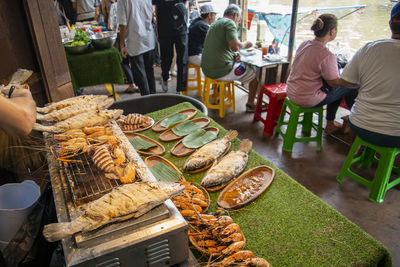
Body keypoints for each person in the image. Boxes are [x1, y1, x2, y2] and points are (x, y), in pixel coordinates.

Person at [339, 2, 400, 147]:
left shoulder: (369, 48)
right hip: (395, 134)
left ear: (390, 23)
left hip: (360, 124)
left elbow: (345, 80)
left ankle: (366, 152)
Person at [286, 14, 358, 134]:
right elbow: (334, 83)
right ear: (332, 31)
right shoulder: (326, 55)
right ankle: (354, 124)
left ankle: (331, 124)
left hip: (292, 92)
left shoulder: (304, 44)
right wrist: (351, 81)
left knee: (336, 90)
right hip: (306, 99)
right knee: (348, 88)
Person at [201, 4, 259, 113]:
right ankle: (251, 104)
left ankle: (217, 94)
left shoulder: (216, 23)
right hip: (219, 70)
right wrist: (247, 43)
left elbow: (223, 47)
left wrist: (233, 55)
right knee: (254, 74)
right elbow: (236, 46)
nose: (238, 23)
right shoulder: (229, 23)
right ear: (235, 15)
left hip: (206, 69)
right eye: (239, 20)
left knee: (240, 64)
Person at [117, 0, 156, 95]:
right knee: (149, 72)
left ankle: (147, 102)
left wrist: (122, 45)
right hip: (149, 38)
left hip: (135, 41)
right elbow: (152, 14)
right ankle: (154, 99)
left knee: (141, 75)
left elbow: (123, 24)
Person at [153, 0, 188, 93]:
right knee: (166, 58)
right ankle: (165, 77)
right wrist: (157, 30)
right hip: (164, 27)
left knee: (182, 59)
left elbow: (186, 3)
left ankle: (180, 89)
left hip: (181, 27)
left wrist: (183, 15)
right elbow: (156, 9)